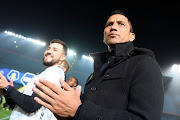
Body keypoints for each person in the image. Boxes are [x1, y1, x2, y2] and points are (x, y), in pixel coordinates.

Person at [32, 10, 164, 120]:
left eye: (121, 24)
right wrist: (64, 113)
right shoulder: (96, 72)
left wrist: (78, 111)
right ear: (103, 35)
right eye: (109, 24)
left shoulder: (144, 63)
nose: (113, 27)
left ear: (131, 36)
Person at [0, 39, 68, 120]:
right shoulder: (46, 73)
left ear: (62, 57)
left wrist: (8, 88)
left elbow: (31, 106)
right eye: (48, 48)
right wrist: (7, 93)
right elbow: (20, 108)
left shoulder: (54, 73)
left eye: (55, 50)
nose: (49, 51)